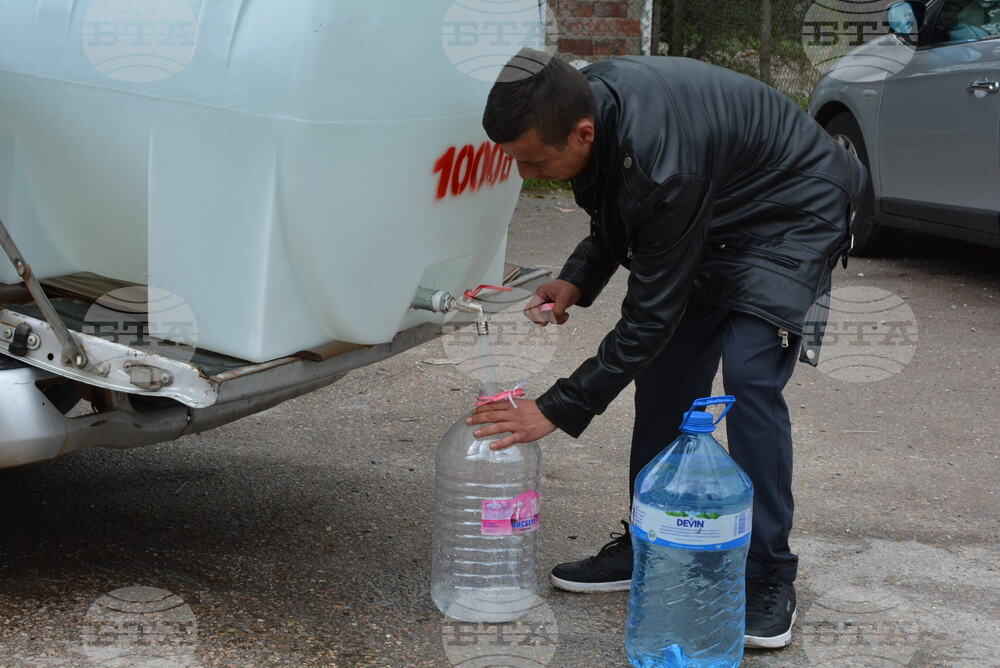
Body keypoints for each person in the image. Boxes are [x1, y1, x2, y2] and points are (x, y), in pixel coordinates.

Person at [465, 49, 866, 648]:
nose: (525, 176)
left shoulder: (663, 161)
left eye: (533, 161)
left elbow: (647, 316)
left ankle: (768, 573)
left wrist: (556, 406)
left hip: (793, 209)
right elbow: (619, 214)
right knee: (665, 376)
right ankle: (653, 541)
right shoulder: (584, 102)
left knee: (751, 376)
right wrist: (580, 275)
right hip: (713, 206)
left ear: (583, 132)